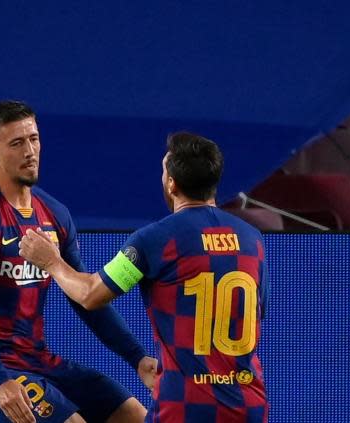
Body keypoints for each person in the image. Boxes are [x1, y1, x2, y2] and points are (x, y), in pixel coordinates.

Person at [20, 132, 269, 423]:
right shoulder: (253, 241)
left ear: (172, 183)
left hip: (185, 408)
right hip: (249, 405)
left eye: (165, 171)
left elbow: (90, 294)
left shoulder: (156, 239)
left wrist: (51, 261)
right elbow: (255, 314)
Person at [0, 100, 157, 423]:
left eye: (34, 138)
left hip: (39, 362)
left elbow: (85, 299)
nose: (30, 151)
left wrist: (137, 358)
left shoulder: (54, 214)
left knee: (135, 416)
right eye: (16, 143)